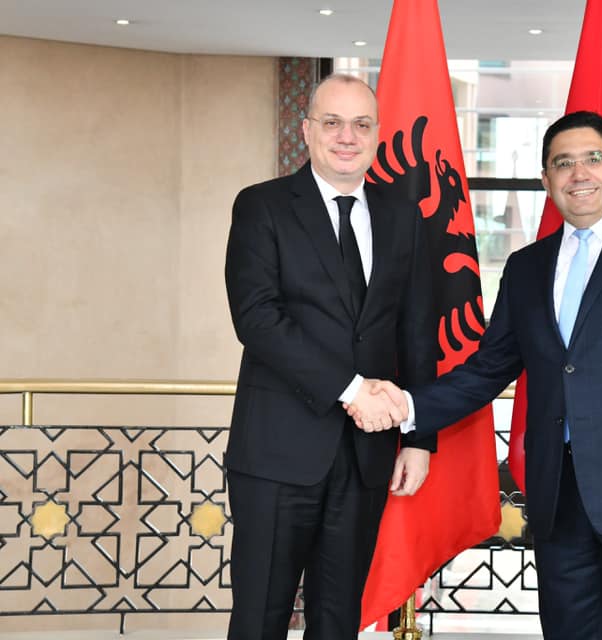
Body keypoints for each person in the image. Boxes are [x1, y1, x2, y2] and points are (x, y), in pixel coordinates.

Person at [349, 110, 602, 639]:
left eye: (593, 158)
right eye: (563, 163)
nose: (580, 173)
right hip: (558, 498)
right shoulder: (526, 267)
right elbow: (487, 370)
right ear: (546, 180)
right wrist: (408, 408)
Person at [223, 73, 435, 640]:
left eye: (361, 124)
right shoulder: (262, 206)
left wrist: (418, 437)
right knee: (259, 618)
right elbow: (257, 319)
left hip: (366, 457)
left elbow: (415, 331)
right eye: (333, 122)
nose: (347, 136)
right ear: (307, 130)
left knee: (339, 621)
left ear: (377, 134)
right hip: (276, 453)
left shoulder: (403, 215)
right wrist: (353, 389)